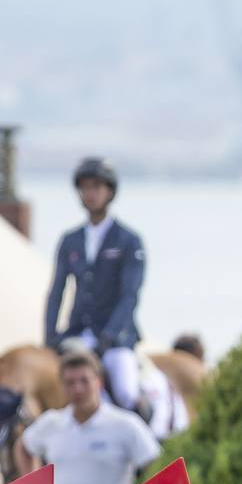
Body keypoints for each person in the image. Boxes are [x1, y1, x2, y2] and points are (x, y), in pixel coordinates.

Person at [44, 157, 148, 418]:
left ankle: (144, 450)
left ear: (109, 192)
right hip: (80, 333)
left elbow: (129, 295)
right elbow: (57, 290)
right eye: (85, 188)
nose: (90, 194)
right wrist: (50, 335)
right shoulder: (71, 240)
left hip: (115, 339)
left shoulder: (128, 241)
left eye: (96, 187)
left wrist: (110, 336)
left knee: (125, 392)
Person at [18, 350, 161, 484]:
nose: (78, 389)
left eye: (84, 381)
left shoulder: (126, 424)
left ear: (99, 382)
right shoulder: (51, 422)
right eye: (70, 383)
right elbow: (23, 446)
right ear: (62, 386)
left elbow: (156, 464)